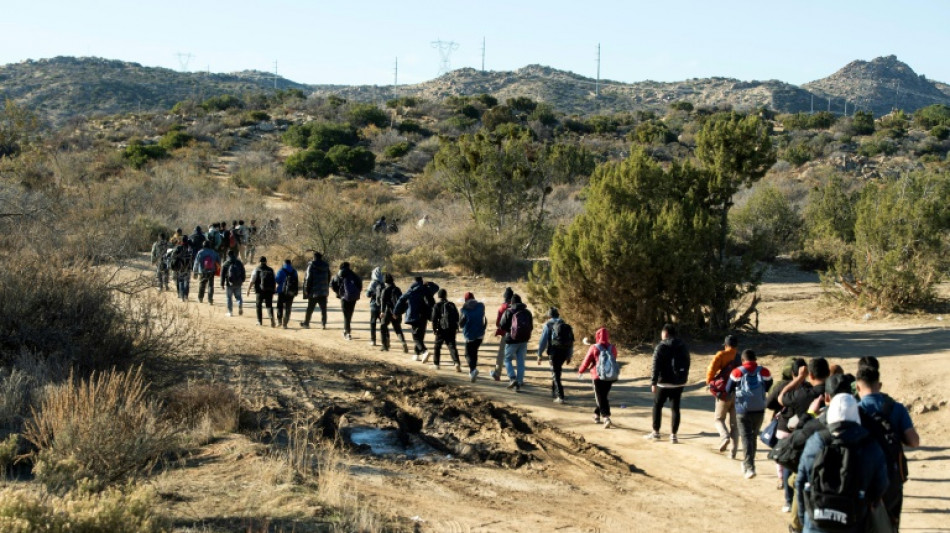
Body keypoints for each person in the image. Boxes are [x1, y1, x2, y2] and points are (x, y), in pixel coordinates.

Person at [795, 393, 889, 533]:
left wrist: (805, 520)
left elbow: (800, 483)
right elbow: (881, 486)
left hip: (816, 523)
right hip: (853, 522)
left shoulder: (815, 442)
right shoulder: (870, 445)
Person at [856, 365, 919, 529]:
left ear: (857, 387)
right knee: (892, 524)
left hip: (864, 478)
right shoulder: (896, 408)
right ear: (880, 385)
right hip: (892, 477)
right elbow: (914, 442)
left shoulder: (856, 410)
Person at [726, 349, 773, 479]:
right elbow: (769, 386)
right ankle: (748, 463)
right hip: (759, 409)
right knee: (753, 437)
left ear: (743, 360)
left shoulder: (737, 372)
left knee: (746, 438)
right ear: (755, 359)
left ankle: (749, 467)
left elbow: (728, 389)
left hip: (742, 410)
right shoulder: (764, 371)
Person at [646, 324, 690, 443]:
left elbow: (655, 366)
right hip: (678, 383)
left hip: (663, 383)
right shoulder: (682, 346)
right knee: (675, 408)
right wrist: (683, 378)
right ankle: (673, 435)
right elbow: (687, 363)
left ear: (665, 333)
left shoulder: (661, 346)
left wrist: (653, 382)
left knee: (657, 405)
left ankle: (656, 432)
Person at [577, 327, 618, 428]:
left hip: (597, 376)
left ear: (597, 336)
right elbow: (614, 358)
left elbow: (586, 361)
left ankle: (606, 417)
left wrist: (581, 370)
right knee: (603, 397)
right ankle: (596, 414)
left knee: (601, 398)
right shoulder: (612, 347)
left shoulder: (594, 347)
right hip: (610, 376)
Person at [706, 335, 740, 455]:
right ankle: (733, 451)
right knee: (735, 425)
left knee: (719, 419)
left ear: (726, 345)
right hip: (738, 393)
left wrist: (710, 382)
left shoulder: (722, 355)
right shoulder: (740, 357)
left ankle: (724, 436)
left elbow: (712, 369)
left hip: (724, 392)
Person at [394, 276, 435, 361]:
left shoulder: (411, 290)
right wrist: (429, 283)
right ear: (422, 280)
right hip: (424, 315)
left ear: (414, 281)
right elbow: (436, 288)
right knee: (420, 335)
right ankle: (416, 354)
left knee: (416, 337)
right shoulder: (426, 289)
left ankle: (424, 351)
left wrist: (396, 312)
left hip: (414, 315)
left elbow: (401, 300)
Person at [537, 308, 574, 403]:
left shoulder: (548, 325)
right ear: (558, 315)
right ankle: (554, 392)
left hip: (554, 352)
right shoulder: (565, 325)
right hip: (564, 352)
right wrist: (569, 355)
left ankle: (560, 396)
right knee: (557, 371)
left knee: (555, 373)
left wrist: (539, 354)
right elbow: (570, 342)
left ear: (549, 316)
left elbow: (543, 341)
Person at [498, 294, 532, 392]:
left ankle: (512, 378)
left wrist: (509, 330)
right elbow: (531, 327)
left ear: (511, 302)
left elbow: (502, 326)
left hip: (511, 340)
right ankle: (519, 382)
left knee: (507, 359)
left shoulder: (508, 312)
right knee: (521, 361)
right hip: (524, 340)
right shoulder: (527, 312)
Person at [430, 289, 461, 371]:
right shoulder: (452, 304)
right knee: (452, 346)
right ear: (446, 295)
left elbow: (434, 319)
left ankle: (436, 364)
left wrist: (434, 329)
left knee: (437, 346)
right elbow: (457, 317)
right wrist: (456, 327)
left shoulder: (437, 305)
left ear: (439, 296)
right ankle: (457, 363)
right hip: (451, 328)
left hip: (441, 328)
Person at [377, 274, 409, 353]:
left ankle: (385, 346)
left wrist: (382, 312)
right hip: (396, 312)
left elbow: (383, 301)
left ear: (385, 282)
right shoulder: (397, 289)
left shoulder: (385, 290)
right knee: (397, 329)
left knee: (383, 327)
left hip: (388, 312)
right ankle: (403, 342)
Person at [330, 262, 362, 340]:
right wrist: (356, 293)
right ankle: (347, 330)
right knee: (350, 314)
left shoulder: (338, 275)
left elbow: (332, 284)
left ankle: (347, 332)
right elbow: (359, 285)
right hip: (353, 297)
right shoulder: (353, 274)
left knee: (345, 315)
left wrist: (338, 293)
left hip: (343, 297)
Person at [459, 292, 487, 382]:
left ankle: (473, 371)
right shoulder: (481, 306)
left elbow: (461, 324)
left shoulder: (464, 310)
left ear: (466, 300)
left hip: (469, 335)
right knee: (474, 352)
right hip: (480, 334)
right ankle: (473, 370)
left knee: (467, 354)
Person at [300, 251, 331, 329]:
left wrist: (306, 289)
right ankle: (323, 324)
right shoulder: (326, 266)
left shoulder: (311, 265)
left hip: (314, 291)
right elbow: (329, 277)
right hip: (323, 291)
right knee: (323, 309)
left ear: (314, 257)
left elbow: (308, 278)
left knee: (310, 308)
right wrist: (325, 286)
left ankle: (306, 323)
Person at [490, 288, 514, 381]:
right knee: (519, 357)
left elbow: (498, 323)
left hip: (506, 334)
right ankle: (519, 378)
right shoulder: (517, 307)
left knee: (501, 354)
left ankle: (497, 373)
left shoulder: (502, 308)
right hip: (518, 335)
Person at [247, 256, 276, 327]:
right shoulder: (271, 270)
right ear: (266, 261)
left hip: (259, 291)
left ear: (259, 262)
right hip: (269, 290)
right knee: (269, 305)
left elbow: (252, 281)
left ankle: (259, 321)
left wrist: (248, 289)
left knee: (258, 306)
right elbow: (274, 281)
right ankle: (272, 319)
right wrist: (273, 290)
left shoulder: (256, 270)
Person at [192, 240, 220, 305]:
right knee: (210, 285)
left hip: (202, 271)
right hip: (211, 271)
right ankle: (210, 300)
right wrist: (217, 270)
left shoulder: (200, 252)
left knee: (202, 285)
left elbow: (196, 263)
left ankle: (200, 298)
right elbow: (218, 262)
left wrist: (194, 272)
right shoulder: (213, 252)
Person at [220, 250, 246, 317]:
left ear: (228, 255)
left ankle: (230, 312)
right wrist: (242, 280)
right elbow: (243, 272)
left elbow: (222, 275)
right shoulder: (239, 262)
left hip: (229, 283)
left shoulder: (226, 263)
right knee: (238, 296)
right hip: (238, 283)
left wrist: (222, 284)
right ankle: (239, 304)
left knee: (229, 297)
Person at [275, 259, 298, 329]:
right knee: (288, 308)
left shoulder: (281, 270)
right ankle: (285, 324)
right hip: (291, 292)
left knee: (280, 306)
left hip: (281, 291)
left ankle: (279, 321)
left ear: (284, 263)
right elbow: (297, 282)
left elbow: (277, 280)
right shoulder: (294, 271)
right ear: (290, 264)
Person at [366, 267, 385, 346]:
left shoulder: (372, 283)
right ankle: (384, 341)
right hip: (382, 307)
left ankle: (373, 340)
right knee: (383, 324)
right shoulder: (383, 283)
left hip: (374, 305)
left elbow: (367, 294)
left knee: (373, 323)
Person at [170, 236, 193, 302]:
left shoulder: (178, 247)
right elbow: (192, 257)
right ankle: (186, 295)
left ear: (181, 241)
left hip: (180, 267)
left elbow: (173, 256)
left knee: (180, 281)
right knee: (187, 281)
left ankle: (181, 294)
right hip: (187, 267)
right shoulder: (189, 248)